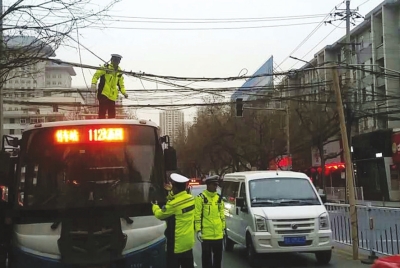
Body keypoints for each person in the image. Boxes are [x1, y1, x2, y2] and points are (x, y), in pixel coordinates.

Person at [152, 173, 195, 268]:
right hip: (188, 243)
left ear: (175, 188)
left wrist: (154, 205)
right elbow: (176, 197)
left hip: (176, 245)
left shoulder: (173, 205)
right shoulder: (191, 199)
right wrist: (171, 191)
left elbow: (160, 214)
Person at [194, 175, 225, 268]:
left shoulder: (219, 198)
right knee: (206, 261)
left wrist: (223, 229)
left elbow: (222, 215)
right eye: (213, 185)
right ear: (208, 185)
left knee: (218, 260)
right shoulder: (201, 198)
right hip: (206, 235)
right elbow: (197, 215)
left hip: (218, 235)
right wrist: (198, 231)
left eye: (216, 185)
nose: (215, 187)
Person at [91, 54, 128, 119]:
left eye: (118, 61)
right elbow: (96, 75)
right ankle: (101, 125)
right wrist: (93, 83)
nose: (116, 62)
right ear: (111, 60)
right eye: (115, 60)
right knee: (102, 112)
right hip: (103, 93)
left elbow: (121, 84)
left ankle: (111, 126)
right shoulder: (106, 67)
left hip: (112, 96)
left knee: (112, 114)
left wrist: (124, 92)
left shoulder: (119, 72)